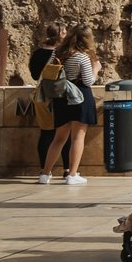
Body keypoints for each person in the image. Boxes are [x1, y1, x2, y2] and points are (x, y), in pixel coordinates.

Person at [39, 25, 99, 186]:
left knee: (58, 138)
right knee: (78, 136)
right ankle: (72, 174)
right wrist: (96, 70)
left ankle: (45, 174)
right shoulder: (82, 57)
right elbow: (88, 81)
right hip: (80, 97)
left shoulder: (58, 53)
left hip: (62, 97)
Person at [29, 25, 64, 173]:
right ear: (59, 35)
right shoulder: (62, 53)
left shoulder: (37, 53)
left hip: (42, 96)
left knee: (46, 133)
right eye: (64, 31)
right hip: (60, 96)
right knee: (64, 134)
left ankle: (44, 170)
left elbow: (35, 76)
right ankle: (67, 170)